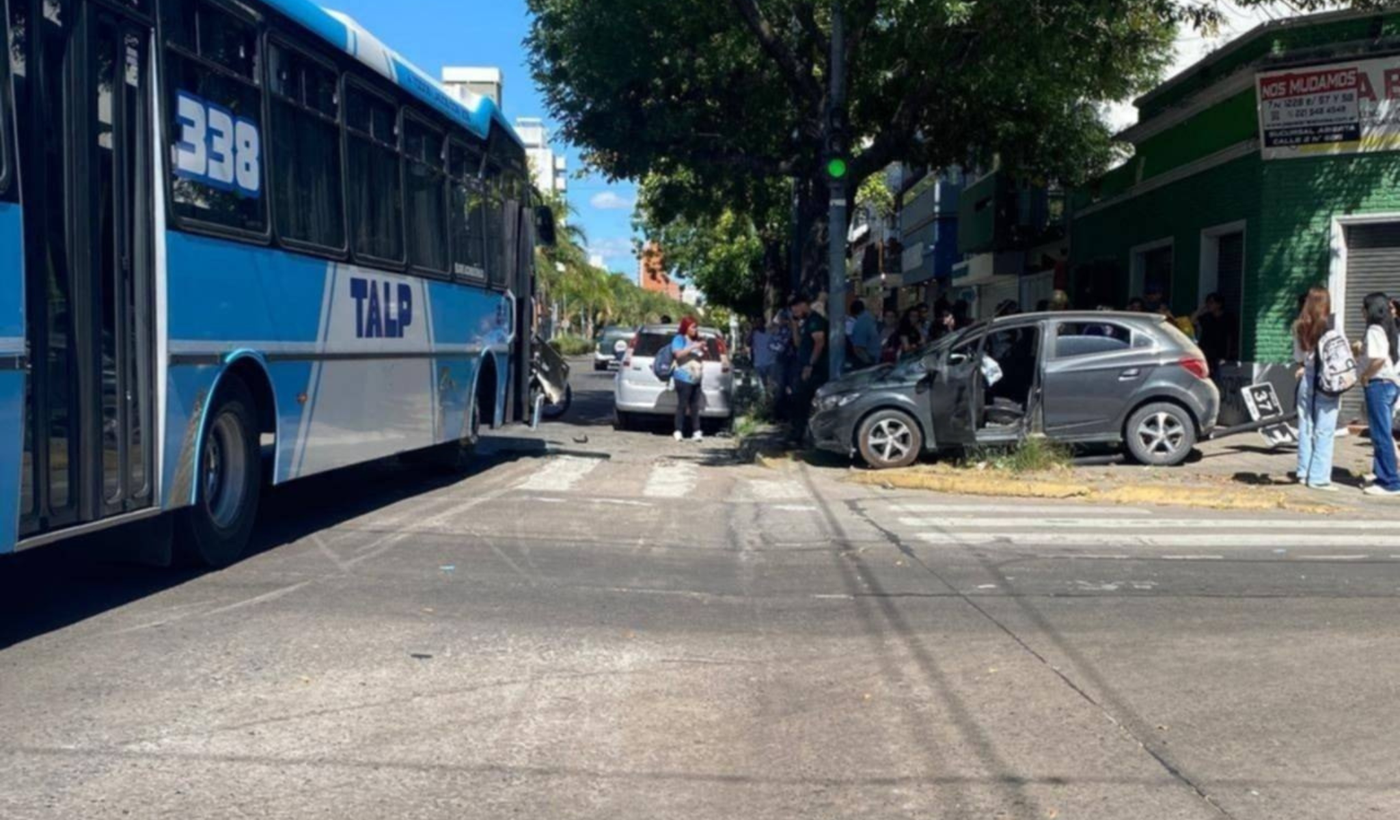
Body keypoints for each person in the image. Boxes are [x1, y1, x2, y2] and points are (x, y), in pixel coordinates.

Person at [1293, 286, 1339, 492]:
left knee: (1306, 426)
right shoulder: (1330, 326)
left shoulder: (1300, 326)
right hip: (1326, 382)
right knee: (1325, 429)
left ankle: (1303, 472)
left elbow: (1298, 358)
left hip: (1307, 379)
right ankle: (1319, 477)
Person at [1360, 292, 1400, 496]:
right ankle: (1381, 473)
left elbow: (1378, 359)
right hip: (1391, 383)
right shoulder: (1390, 327)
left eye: (1364, 307)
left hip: (1379, 384)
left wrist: (1365, 376)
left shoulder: (1375, 329)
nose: (1361, 312)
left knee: (1380, 433)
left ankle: (1390, 481)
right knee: (1381, 432)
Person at [788, 294, 828, 446]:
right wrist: (794, 326)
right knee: (798, 401)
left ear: (803, 305)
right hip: (803, 366)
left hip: (813, 369)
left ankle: (801, 437)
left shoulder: (815, 321)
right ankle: (798, 434)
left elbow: (819, 343)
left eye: (796, 311)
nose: (796, 314)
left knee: (803, 402)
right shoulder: (805, 323)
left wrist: (810, 365)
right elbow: (798, 343)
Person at [670, 317, 708, 443]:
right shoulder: (679, 339)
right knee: (683, 404)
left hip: (696, 378)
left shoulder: (697, 340)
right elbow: (677, 354)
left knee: (695, 405)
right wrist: (692, 347)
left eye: (696, 327)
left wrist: (702, 348)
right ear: (686, 328)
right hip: (683, 376)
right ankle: (678, 430)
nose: (695, 330)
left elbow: (704, 356)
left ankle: (696, 431)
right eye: (692, 327)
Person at [1194, 292, 1237, 377]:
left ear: (1219, 304)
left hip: (1220, 353)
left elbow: (1231, 337)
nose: (1209, 305)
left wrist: (1228, 355)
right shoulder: (1207, 317)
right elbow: (1192, 321)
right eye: (1207, 302)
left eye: (1211, 302)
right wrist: (1201, 308)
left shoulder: (1228, 317)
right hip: (1205, 351)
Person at [847, 300, 881, 368]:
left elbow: (859, 348)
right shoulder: (866, 321)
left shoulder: (865, 322)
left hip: (869, 360)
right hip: (869, 360)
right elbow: (858, 348)